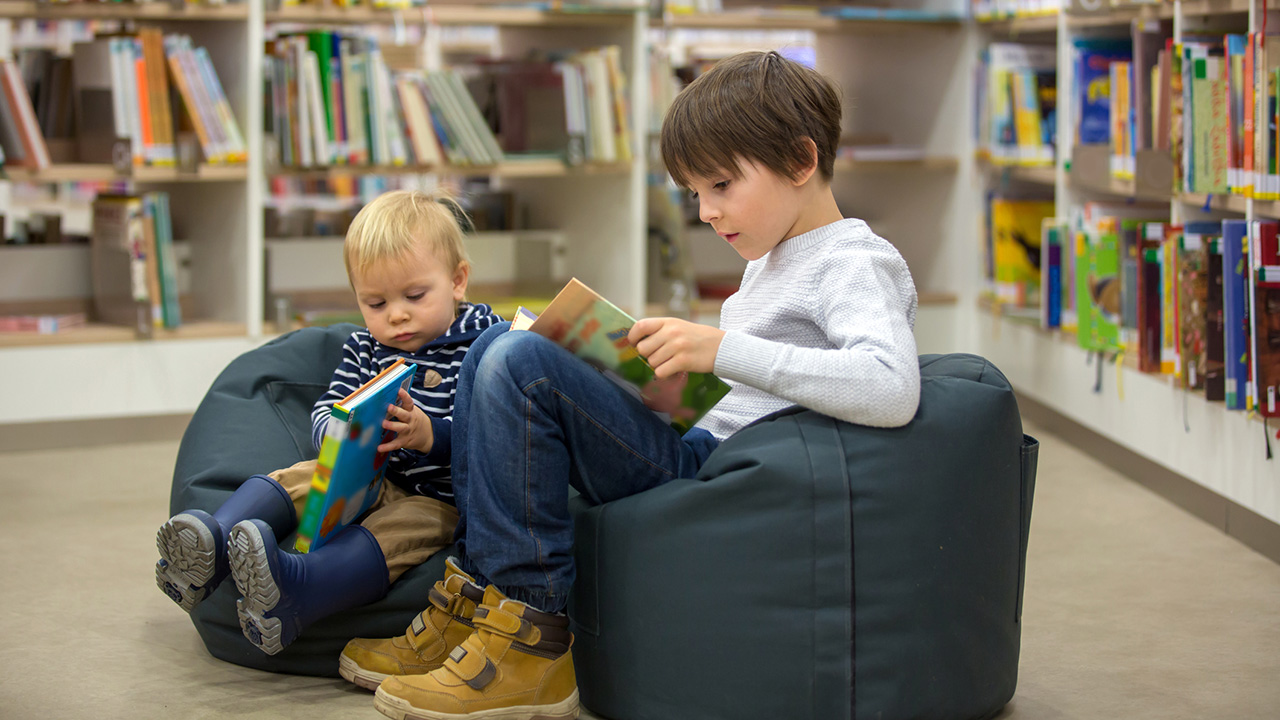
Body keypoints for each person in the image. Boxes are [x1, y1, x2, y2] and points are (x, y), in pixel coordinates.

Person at [359, 50, 922, 720]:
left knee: (518, 362)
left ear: (801, 162)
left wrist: (720, 349)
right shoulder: (774, 259)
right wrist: (662, 372)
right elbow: (753, 393)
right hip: (702, 438)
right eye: (694, 194)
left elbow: (891, 387)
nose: (707, 212)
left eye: (721, 185)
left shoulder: (852, 261)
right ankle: (475, 603)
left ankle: (530, 640)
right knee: (492, 347)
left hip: (724, 476)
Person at [154, 189, 502, 656]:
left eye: (415, 296)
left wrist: (428, 435)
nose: (396, 315)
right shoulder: (365, 348)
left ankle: (301, 589)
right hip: (370, 476)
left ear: (458, 281)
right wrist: (340, 433)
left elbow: (496, 431)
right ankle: (212, 543)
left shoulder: (486, 339)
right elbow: (327, 406)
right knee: (305, 474)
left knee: (403, 528)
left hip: (444, 499)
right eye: (375, 304)